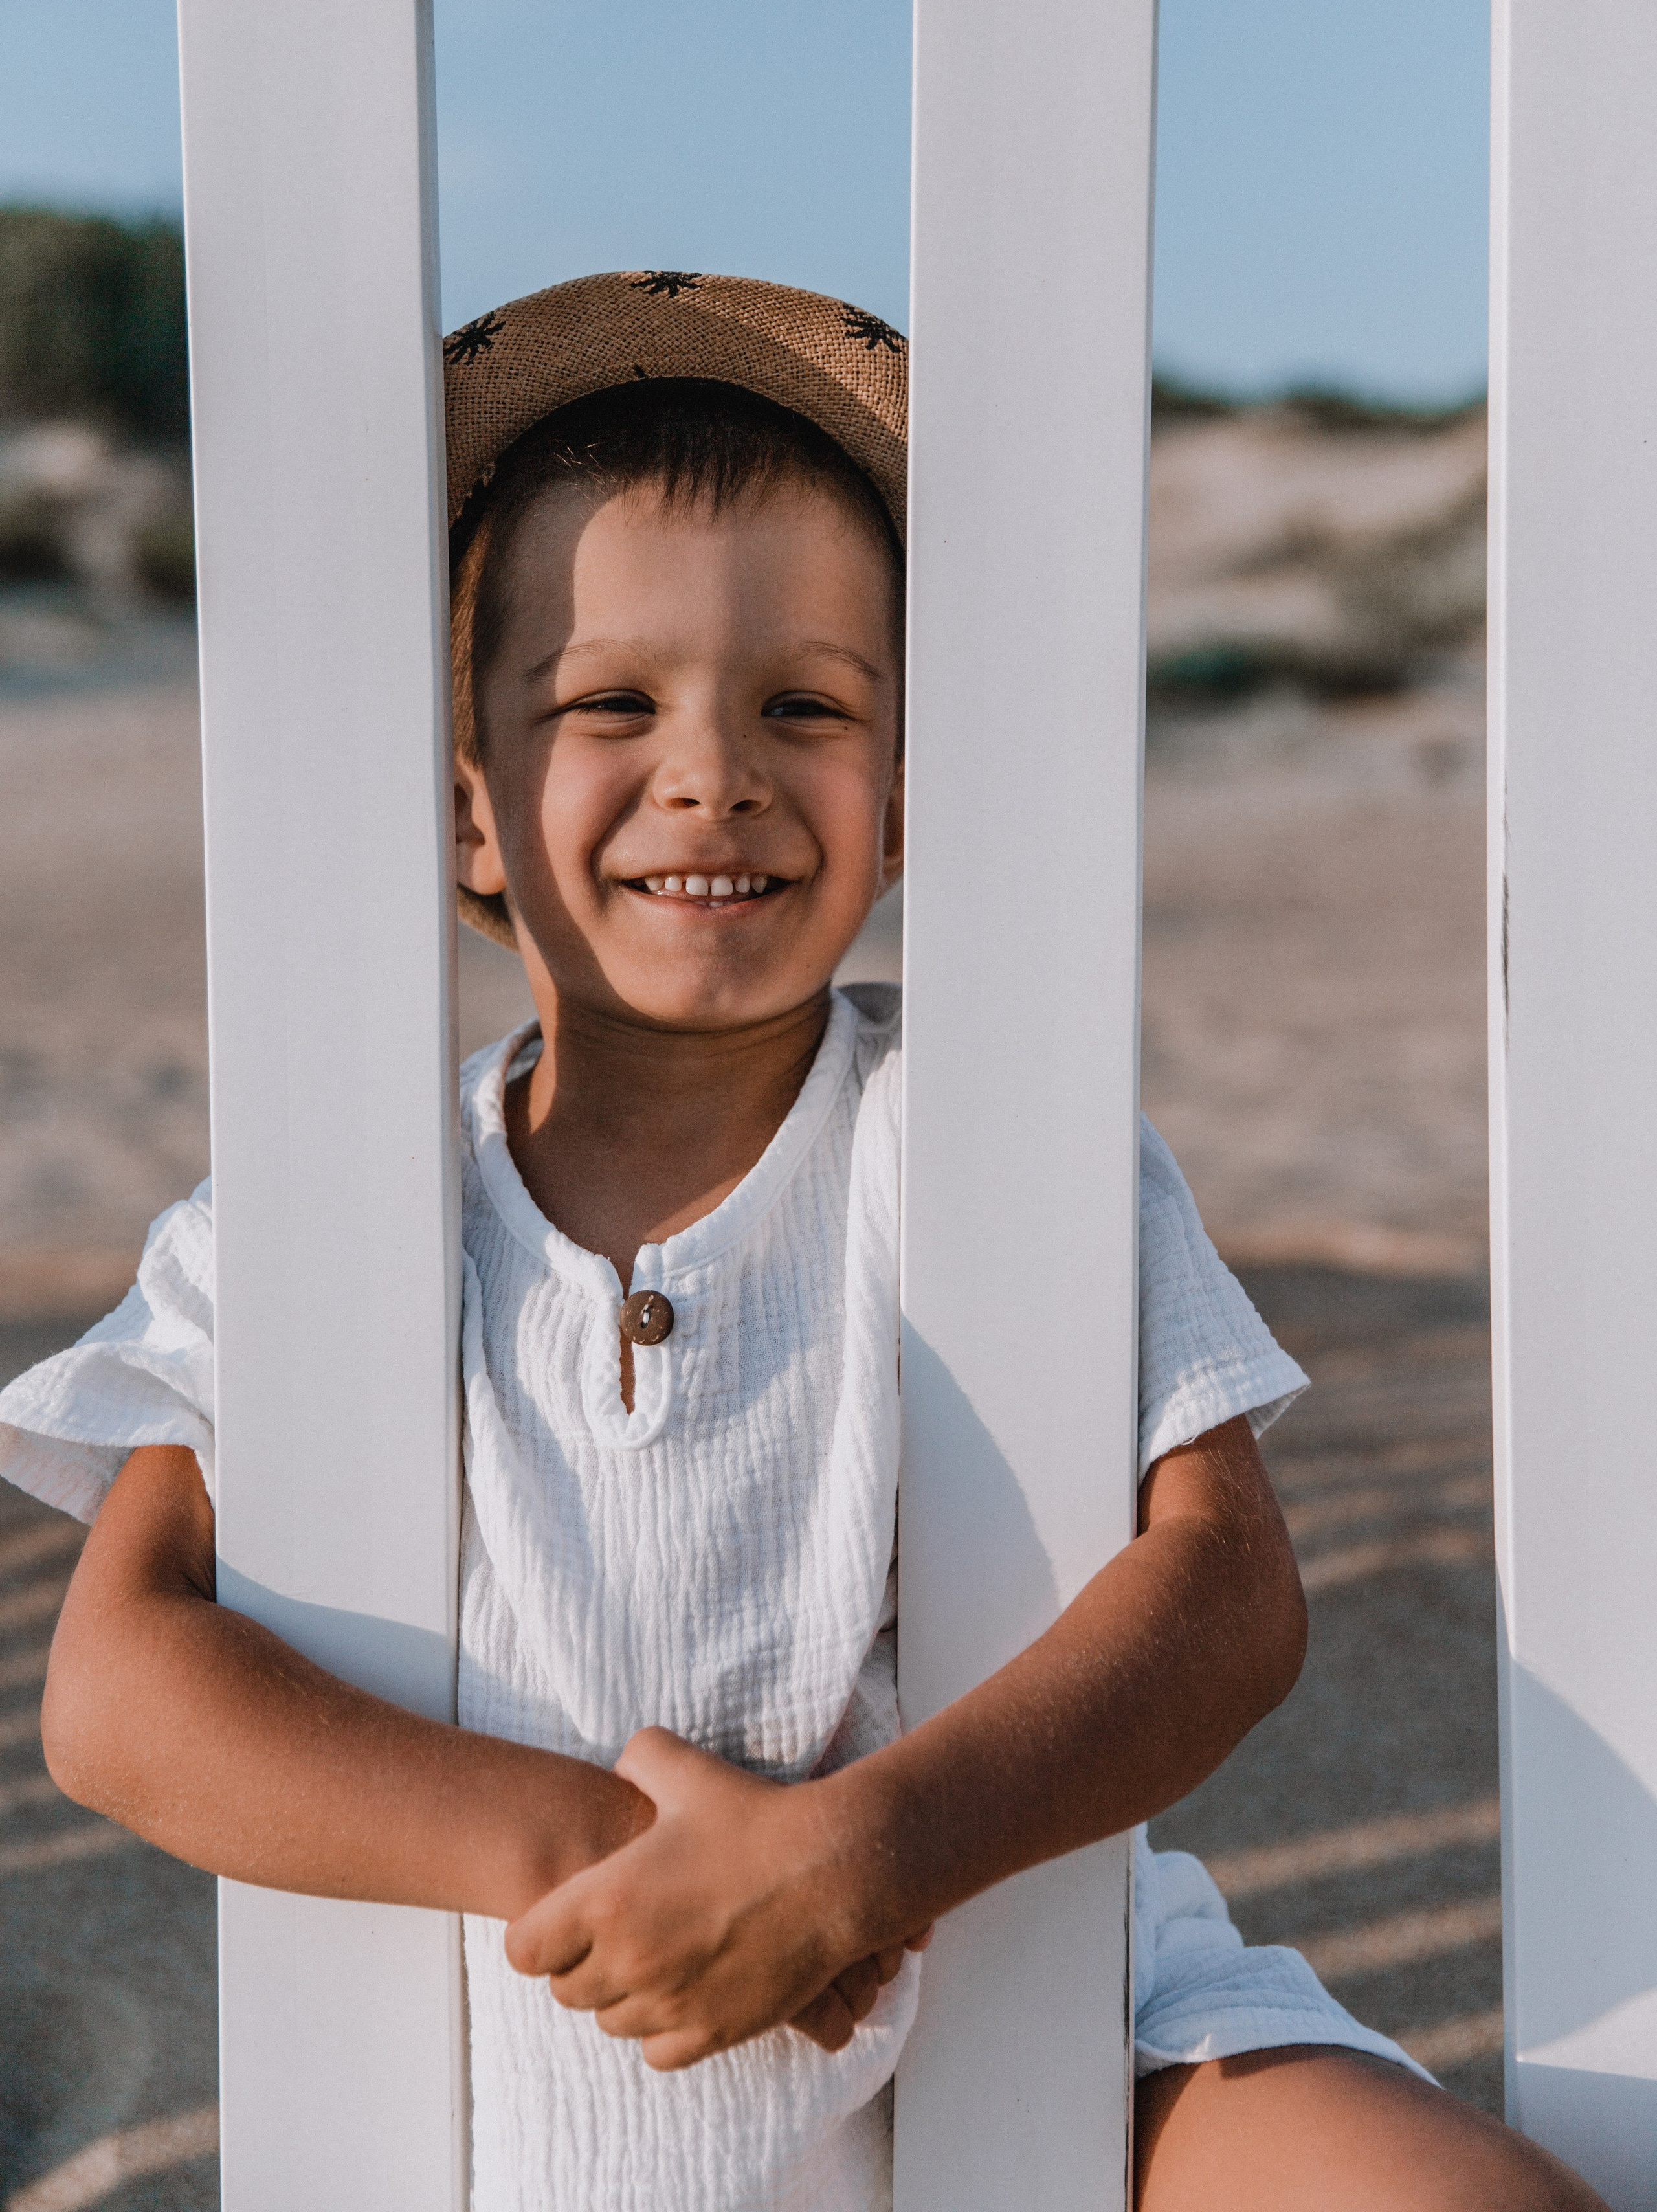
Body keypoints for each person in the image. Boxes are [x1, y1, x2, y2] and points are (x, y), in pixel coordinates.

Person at [0, 273, 1601, 2211]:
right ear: (465, 813)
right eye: (610, 703)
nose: (716, 772)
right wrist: (601, 1851)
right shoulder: (326, 1207)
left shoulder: (988, 1141)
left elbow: (1230, 1596)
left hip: (1033, 2001)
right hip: (544, 2066)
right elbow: (117, 1691)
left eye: (806, 706)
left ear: (906, 792)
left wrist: (858, 1861)